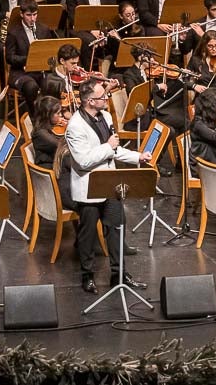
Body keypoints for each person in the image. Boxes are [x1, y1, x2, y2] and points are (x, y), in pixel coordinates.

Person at [65, 78, 153, 294]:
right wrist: (107, 146)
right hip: (89, 186)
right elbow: (83, 160)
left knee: (116, 228)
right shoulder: (74, 126)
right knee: (88, 235)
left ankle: (119, 274)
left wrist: (138, 157)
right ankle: (87, 275)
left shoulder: (104, 116)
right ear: (89, 101)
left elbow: (115, 149)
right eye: (101, 97)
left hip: (111, 183)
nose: (106, 98)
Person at [65, 0, 116, 66]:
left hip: (104, 28)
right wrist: (92, 30)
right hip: (83, 29)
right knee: (89, 41)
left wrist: (104, 31)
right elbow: (73, 18)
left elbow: (112, 14)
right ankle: (89, 72)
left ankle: (114, 71)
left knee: (117, 38)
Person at [4, 0, 50, 105]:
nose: (32, 19)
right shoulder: (14, 32)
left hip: (41, 71)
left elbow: (49, 49)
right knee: (31, 86)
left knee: (54, 84)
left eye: (35, 15)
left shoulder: (44, 29)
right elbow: (9, 57)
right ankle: (34, 118)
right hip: (21, 72)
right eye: (28, 15)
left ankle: (51, 115)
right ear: (21, 14)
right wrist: (28, 59)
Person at [30, 95, 76, 205]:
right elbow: (62, 146)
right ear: (48, 115)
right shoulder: (40, 134)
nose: (61, 115)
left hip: (58, 169)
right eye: (58, 113)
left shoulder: (49, 128)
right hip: (53, 176)